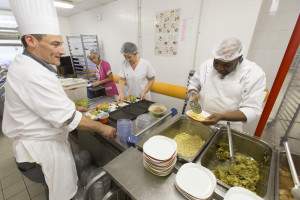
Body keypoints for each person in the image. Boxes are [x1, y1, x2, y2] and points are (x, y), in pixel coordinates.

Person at [2, 0, 116, 200]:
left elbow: (40, 103)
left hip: (36, 151)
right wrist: (103, 128)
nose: (62, 51)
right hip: (39, 154)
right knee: (61, 193)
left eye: (61, 43)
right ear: (31, 40)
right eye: (55, 44)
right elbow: (69, 119)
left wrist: (71, 106)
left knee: (53, 188)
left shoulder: (26, 65)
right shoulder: (32, 73)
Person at [187, 37, 266, 131]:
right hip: (201, 118)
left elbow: (252, 109)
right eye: (216, 63)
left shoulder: (254, 73)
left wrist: (221, 116)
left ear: (239, 58)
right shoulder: (206, 65)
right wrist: (192, 91)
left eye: (226, 65)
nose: (220, 68)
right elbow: (194, 83)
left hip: (229, 125)